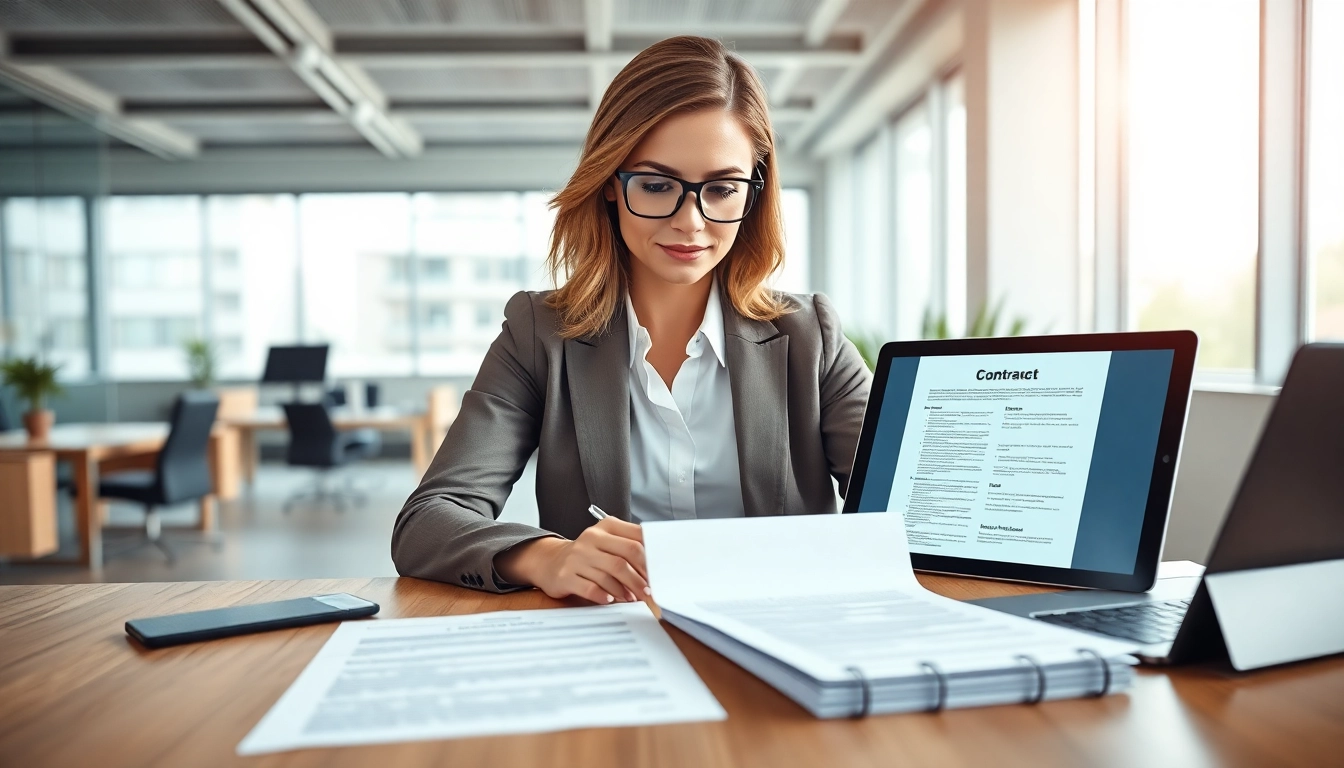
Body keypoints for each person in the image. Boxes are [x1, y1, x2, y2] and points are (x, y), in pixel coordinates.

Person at [392, 35, 872, 604]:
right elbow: (428, 521)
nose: (691, 221)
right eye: (657, 185)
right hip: (614, 646)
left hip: (787, 635)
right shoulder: (538, 334)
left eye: (721, 189)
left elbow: (904, 509)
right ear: (609, 189)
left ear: (754, 194)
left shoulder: (809, 335)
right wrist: (550, 556)